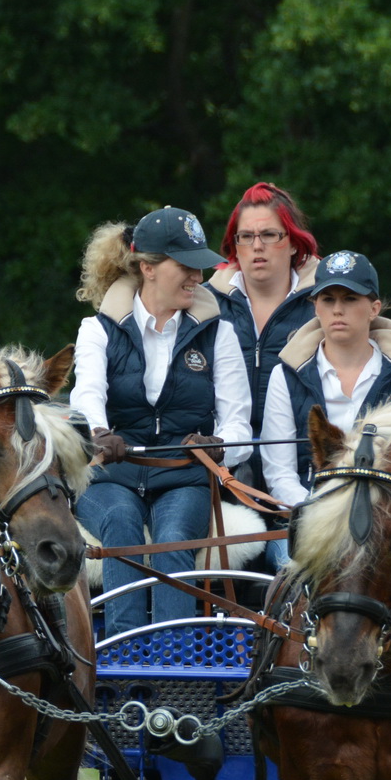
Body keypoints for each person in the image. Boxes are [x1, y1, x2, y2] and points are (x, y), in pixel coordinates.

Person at [70, 206, 252, 637]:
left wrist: (219, 445)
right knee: (121, 524)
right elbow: (86, 398)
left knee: (172, 538)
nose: (197, 277)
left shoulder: (219, 332)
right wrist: (99, 434)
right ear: (148, 267)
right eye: (186, 266)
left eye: (200, 268)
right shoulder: (96, 330)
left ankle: (174, 665)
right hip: (110, 477)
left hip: (184, 478)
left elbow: (239, 424)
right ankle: (122, 652)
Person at [259, 250, 391, 569]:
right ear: (315, 307)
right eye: (327, 299)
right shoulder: (283, 376)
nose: (338, 309)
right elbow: (279, 472)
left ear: (374, 308)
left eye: (351, 298)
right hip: (308, 520)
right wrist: (325, 513)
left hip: (386, 522)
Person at [206, 182, 320, 488]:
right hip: (218, 472)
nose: (257, 246)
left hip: (305, 472)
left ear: (294, 243)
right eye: (246, 237)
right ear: (235, 246)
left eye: (270, 235)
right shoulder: (202, 307)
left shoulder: (327, 306)